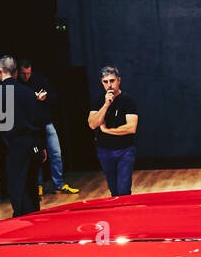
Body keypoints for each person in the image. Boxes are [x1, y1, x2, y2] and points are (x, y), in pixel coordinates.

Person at [0, 55, 45, 217]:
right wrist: (42, 146)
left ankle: (22, 221)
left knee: (17, 186)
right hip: (32, 143)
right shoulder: (28, 92)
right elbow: (39, 121)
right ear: (15, 72)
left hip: (14, 146)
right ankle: (35, 218)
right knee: (32, 185)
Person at [19, 58, 78, 195]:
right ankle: (38, 185)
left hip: (45, 122)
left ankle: (59, 183)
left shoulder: (39, 79)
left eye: (28, 73)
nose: (26, 77)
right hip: (31, 125)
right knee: (36, 154)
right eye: (23, 74)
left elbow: (54, 96)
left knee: (55, 152)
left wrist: (45, 97)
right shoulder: (18, 85)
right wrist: (32, 98)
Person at [87, 66, 138, 196]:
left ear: (118, 80)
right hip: (105, 150)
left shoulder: (128, 101)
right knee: (114, 191)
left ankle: (126, 213)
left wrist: (107, 130)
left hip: (125, 150)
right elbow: (93, 124)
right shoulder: (98, 100)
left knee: (123, 190)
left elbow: (131, 128)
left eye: (112, 80)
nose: (109, 85)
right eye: (106, 82)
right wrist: (106, 105)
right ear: (101, 82)